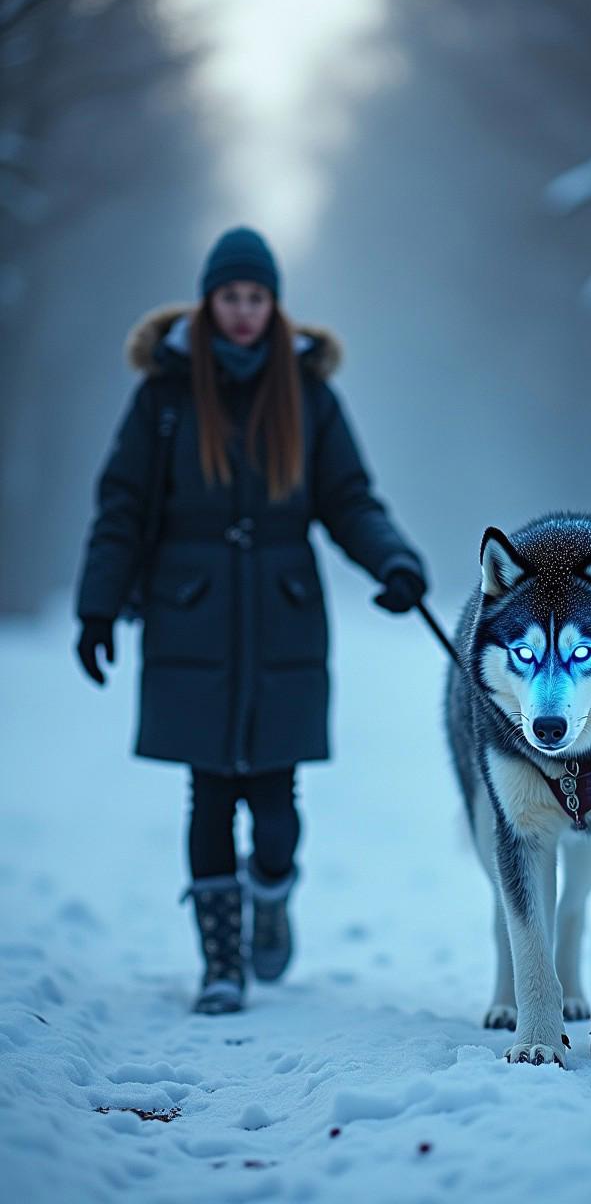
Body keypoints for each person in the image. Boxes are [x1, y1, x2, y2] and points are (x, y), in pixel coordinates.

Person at [74, 227, 427, 1015]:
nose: (243, 312)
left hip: (282, 616)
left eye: (256, 298)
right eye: (230, 297)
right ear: (209, 302)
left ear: (275, 305)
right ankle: (221, 964)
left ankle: (272, 891)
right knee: (208, 795)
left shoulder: (306, 394)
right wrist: (98, 605)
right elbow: (122, 509)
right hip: (189, 614)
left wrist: (395, 563)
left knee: (274, 806)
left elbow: (349, 499)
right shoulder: (164, 396)